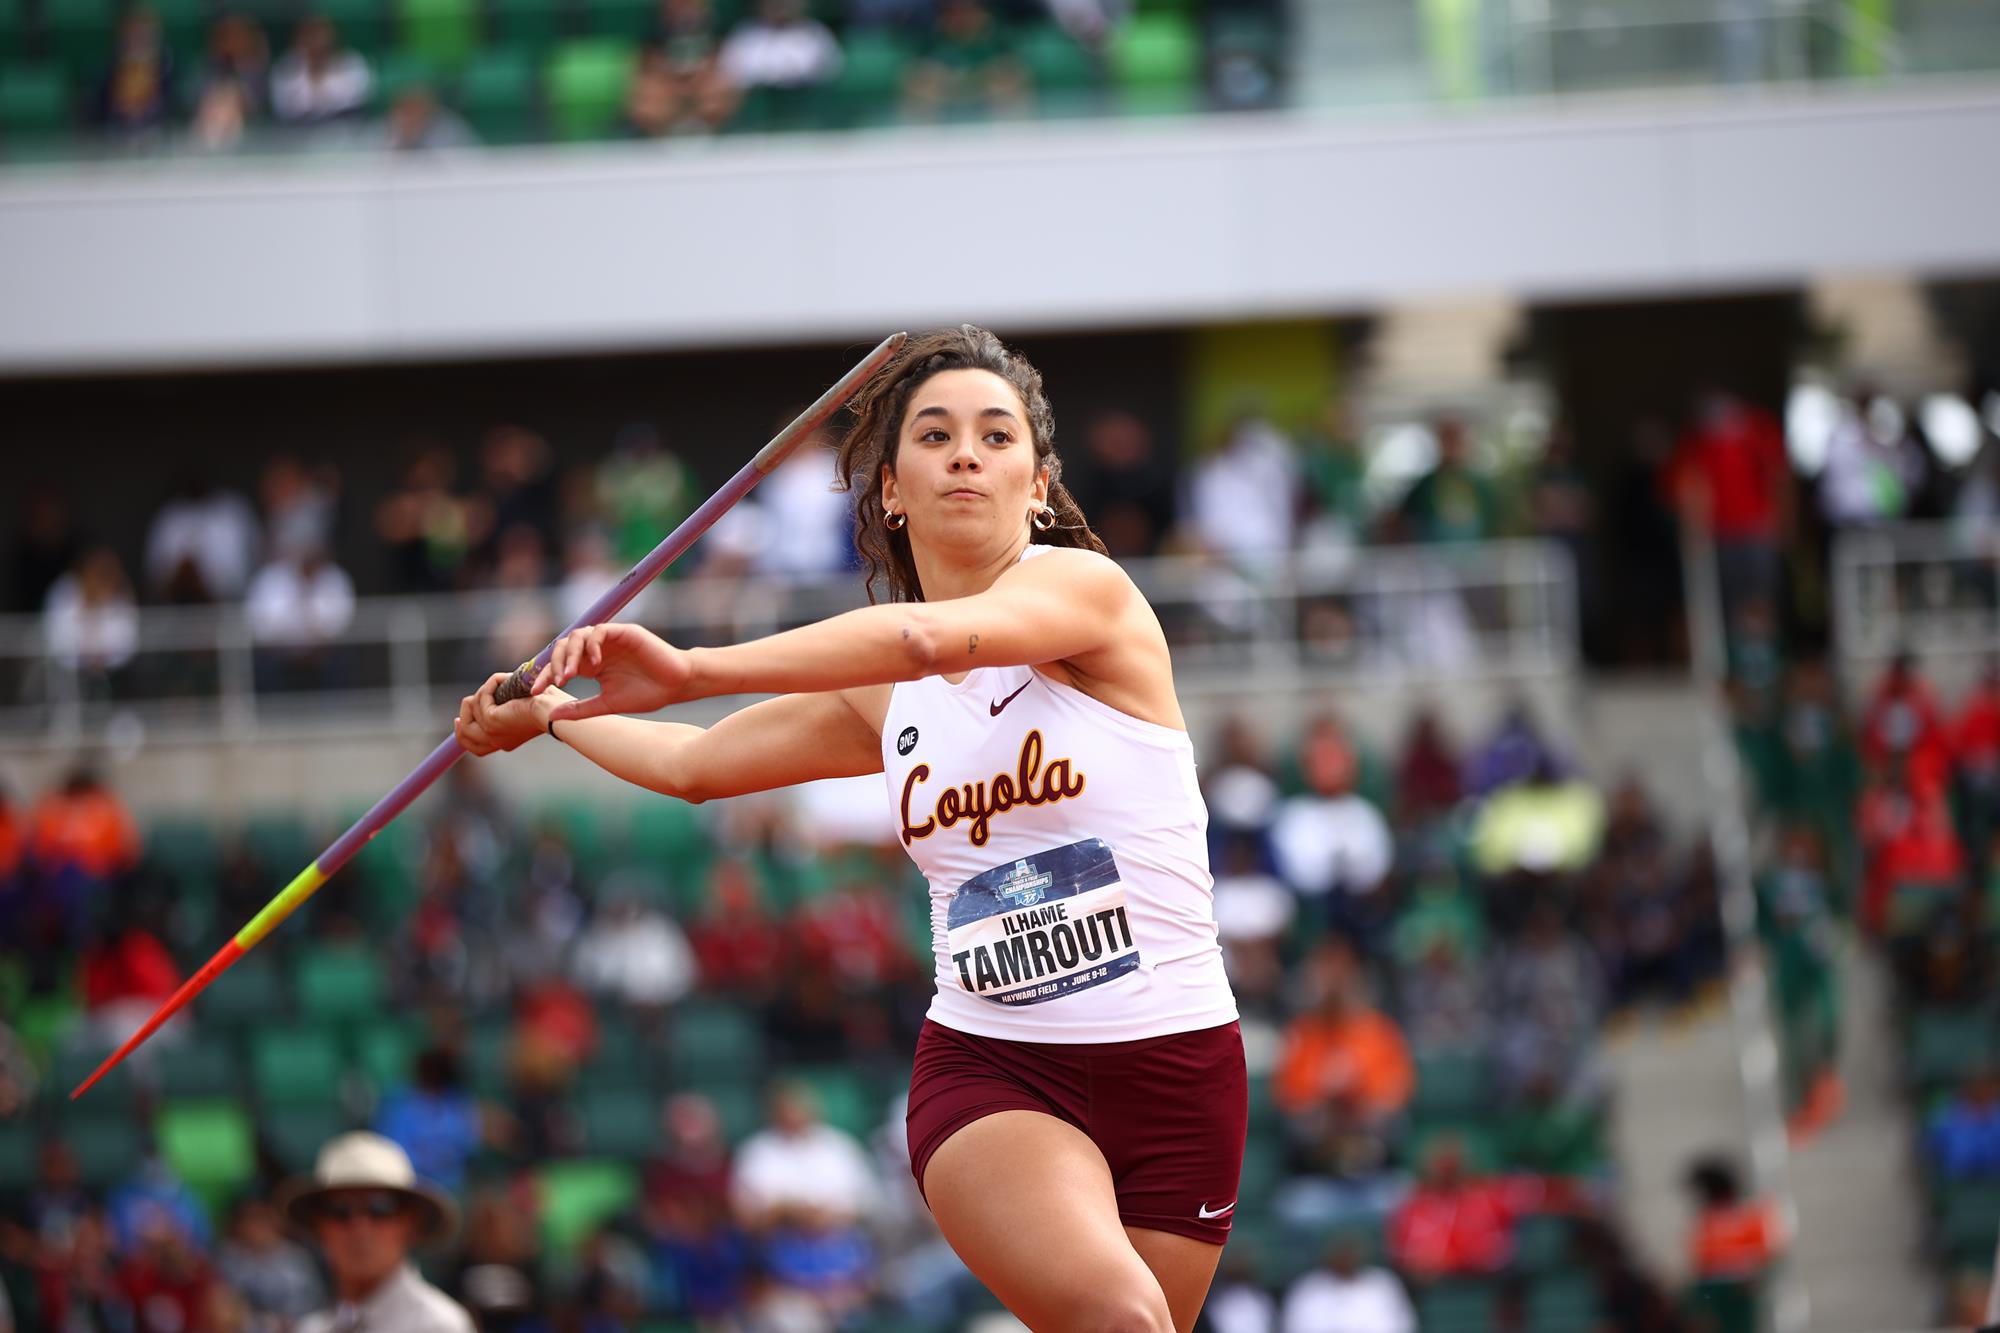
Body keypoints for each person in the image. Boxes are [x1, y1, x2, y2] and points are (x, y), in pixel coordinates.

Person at [454, 325, 1246, 1332]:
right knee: (1120, 1321)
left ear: (1037, 486)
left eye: (996, 437)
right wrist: (553, 720)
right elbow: (698, 766)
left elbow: (917, 634)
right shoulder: (887, 693)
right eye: (934, 434)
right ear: (889, 490)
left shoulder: (1090, 597)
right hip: (995, 1067)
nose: (966, 452)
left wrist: (694, 666)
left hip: (1177, 1069)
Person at [282, 1131, 474, 1333]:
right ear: (319, 1226)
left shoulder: (438, 1326)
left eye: (380, 1208)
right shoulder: (313, 1328)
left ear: (411, 1223)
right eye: (340, 1210)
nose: (360, 1227)